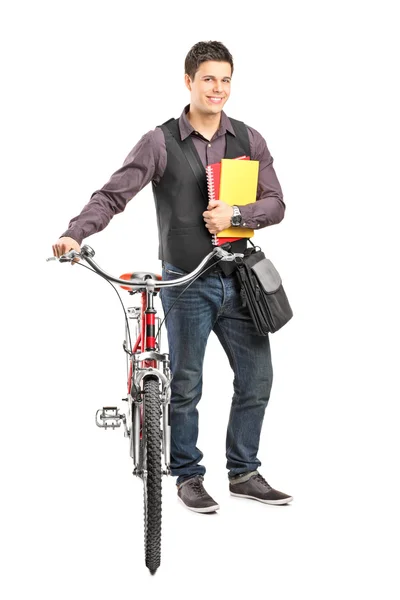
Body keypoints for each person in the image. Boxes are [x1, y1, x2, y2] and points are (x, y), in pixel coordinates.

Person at [53, 40, 293, 512]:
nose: (218, 88)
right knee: (185, 383)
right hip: (186, 281)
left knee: (257, 378)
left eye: (225, 79)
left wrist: (237, 214)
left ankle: (244, 471)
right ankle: (187, 475)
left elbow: (276, 204)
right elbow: (113, 194)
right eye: (208, 78)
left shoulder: (249, 138)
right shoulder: (160, 141)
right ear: (188, 82)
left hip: (240, 277)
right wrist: (74, 234)